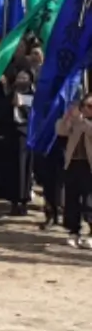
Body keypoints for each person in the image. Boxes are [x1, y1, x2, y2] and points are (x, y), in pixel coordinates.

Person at [54, 97, 92, 248]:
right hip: (73, 164)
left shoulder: (85, 123)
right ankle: (73, 231)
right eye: (85, 105)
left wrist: (83, 121)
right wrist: (68, 116)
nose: (87, 108)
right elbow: (61, 131)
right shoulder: (76, 121)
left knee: (89, 200)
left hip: (89, 166)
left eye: (90, 106)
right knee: (72, 199)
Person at [0, 69, 34, 216]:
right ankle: (13, 202)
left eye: (24, 77)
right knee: (11, 170)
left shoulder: (33, 96)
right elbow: (2, 113)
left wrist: (22, 106)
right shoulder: (10, 95)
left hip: (25, 136)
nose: (21, 80)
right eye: (19, 77)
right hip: (11, 135)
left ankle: (23, 201)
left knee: (24, 170)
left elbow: (34, 116)